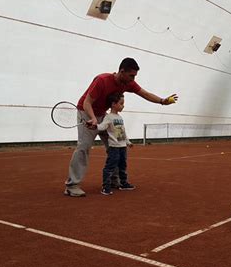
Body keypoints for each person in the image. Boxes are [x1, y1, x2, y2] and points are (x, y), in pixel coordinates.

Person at [64, 57, 178, 197]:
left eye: (135, 76)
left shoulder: (128, 83)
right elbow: (87, 102)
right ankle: (72, 185)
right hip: (86, 112)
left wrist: (162, 101)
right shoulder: (102, 80)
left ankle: (114, 180)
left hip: (103, 115)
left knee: (116, 145)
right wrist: (93, 119)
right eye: (131, 75)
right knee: (84, 147)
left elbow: (145, 94)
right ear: (122, 71)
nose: (133, 79)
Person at [93, 92, 134, 195]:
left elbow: (122, 132)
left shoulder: (120, 118)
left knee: (122, 166)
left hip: (122, 147)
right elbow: (102, 127)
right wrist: (95, 126)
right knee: (110, 166)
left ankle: (123, 183)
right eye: (121, 103)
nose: (123, 105)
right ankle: (105, 187)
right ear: (113, 104)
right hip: (114, 147)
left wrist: (127, 142)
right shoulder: (109, 117)